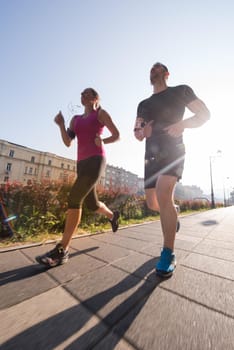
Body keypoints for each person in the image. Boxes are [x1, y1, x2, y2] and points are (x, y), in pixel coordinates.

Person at [134, 62, 210, 278]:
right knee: (153, 203)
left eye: (158, 68)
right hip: (151, 156)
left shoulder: (181, 91)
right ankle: (172, 213)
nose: (153, 71)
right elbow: (137, 133)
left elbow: (205, 114)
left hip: (174, 150)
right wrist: (143, 131)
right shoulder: (143, 104)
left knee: (163, 191)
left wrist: (182, 125)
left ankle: (168, 253)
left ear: (167, 74)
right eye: (151, 69)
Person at [36, 88, 120, 268]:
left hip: (96, 160)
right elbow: (68, 142)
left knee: (74, 198)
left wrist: (103, 141)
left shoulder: (101, 114)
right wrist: (61, 124)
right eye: (81, 94)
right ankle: (113, 216)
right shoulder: (75, 120)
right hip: (81, 164)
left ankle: (62, 250)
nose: (82, 95)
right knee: (92, 204)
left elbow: (117, 135)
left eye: (87, 93)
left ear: (96, 98)